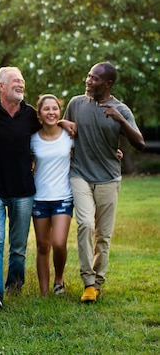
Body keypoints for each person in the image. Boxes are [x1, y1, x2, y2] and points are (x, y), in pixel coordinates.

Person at [63, 61, 144, 303]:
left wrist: (121, 120)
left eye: (95, 79)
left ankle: (98, 282)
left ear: (107, 84)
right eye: (88, 76)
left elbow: (139, 143)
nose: (88, 81)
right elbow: (62, 132)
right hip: (80, 174)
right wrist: (58, 123)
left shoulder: (122, 110)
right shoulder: (76, 104)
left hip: (109, 177)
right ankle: (88, 282)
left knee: (103, 235)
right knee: (85, 224)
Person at [0, 66, 43, 312]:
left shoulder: (31, 115)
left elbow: (51, 129)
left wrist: (65, 123)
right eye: (15, 80)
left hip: (23, 189)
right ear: (1, 87)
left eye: (22, 81)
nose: (21, 84)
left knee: (18, 246)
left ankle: (14, 286)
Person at [30, 94, 74, 297]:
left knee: (58, 243)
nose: (51, 112)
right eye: (46, 109)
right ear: (39, 113)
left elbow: (91, 147)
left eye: (55, 108)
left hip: (63, 196)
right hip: (39, 198)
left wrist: (114, 152)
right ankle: (44, 291)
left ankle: (59, 279)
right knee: (42, 246)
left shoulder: (69, 136)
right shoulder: (32, 139)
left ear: (59, 110)